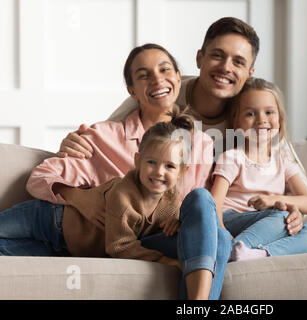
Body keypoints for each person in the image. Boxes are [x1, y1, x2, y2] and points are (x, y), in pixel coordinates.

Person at [0, 43, 231, 300]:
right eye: (144, 75)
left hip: (143, 239)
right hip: (75, 228)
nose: (157, 79)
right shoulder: (105, 135)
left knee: (218, 237)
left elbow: (196, 204)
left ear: (178, 77)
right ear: (132, 90)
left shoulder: (201, 143)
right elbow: (42, 176)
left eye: (165, 70)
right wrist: (80, 198)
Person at [57, 17, 306, 237]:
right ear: (200, 58)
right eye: (217, 55)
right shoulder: (165, 92)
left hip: (230, 217)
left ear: (249, 72)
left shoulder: (254, 114)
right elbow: (113, 136)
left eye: (238, 62)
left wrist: (287, 207)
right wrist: (74, 143)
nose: (226, 67)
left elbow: (288, 178)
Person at [210, 78, 307, 261]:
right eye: (250, 114)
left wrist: (272, 200)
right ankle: (229, 250)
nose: (261, 120)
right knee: (281, 217)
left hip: (269, 221)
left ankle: (257, 253)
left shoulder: (284, 161)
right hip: (234, 219)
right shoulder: (233, 157)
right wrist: (221, 232)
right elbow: (214, 202)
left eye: (269, 112)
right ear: (236, 121)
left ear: (280, 118)